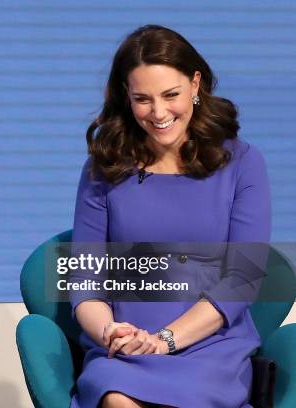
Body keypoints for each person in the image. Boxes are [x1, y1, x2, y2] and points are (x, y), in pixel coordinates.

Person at [68, 25, 271, 407]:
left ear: (195, 85)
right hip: (126, 346)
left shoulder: (242, 163)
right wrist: (112, 332)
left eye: (171, 95)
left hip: (211, 346)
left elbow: (242, 280)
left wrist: (166, 340)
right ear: (126, 96)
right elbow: (85, 281)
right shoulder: (104, 168)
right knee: (116, 398)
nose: (159, 113)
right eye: (143, 99)